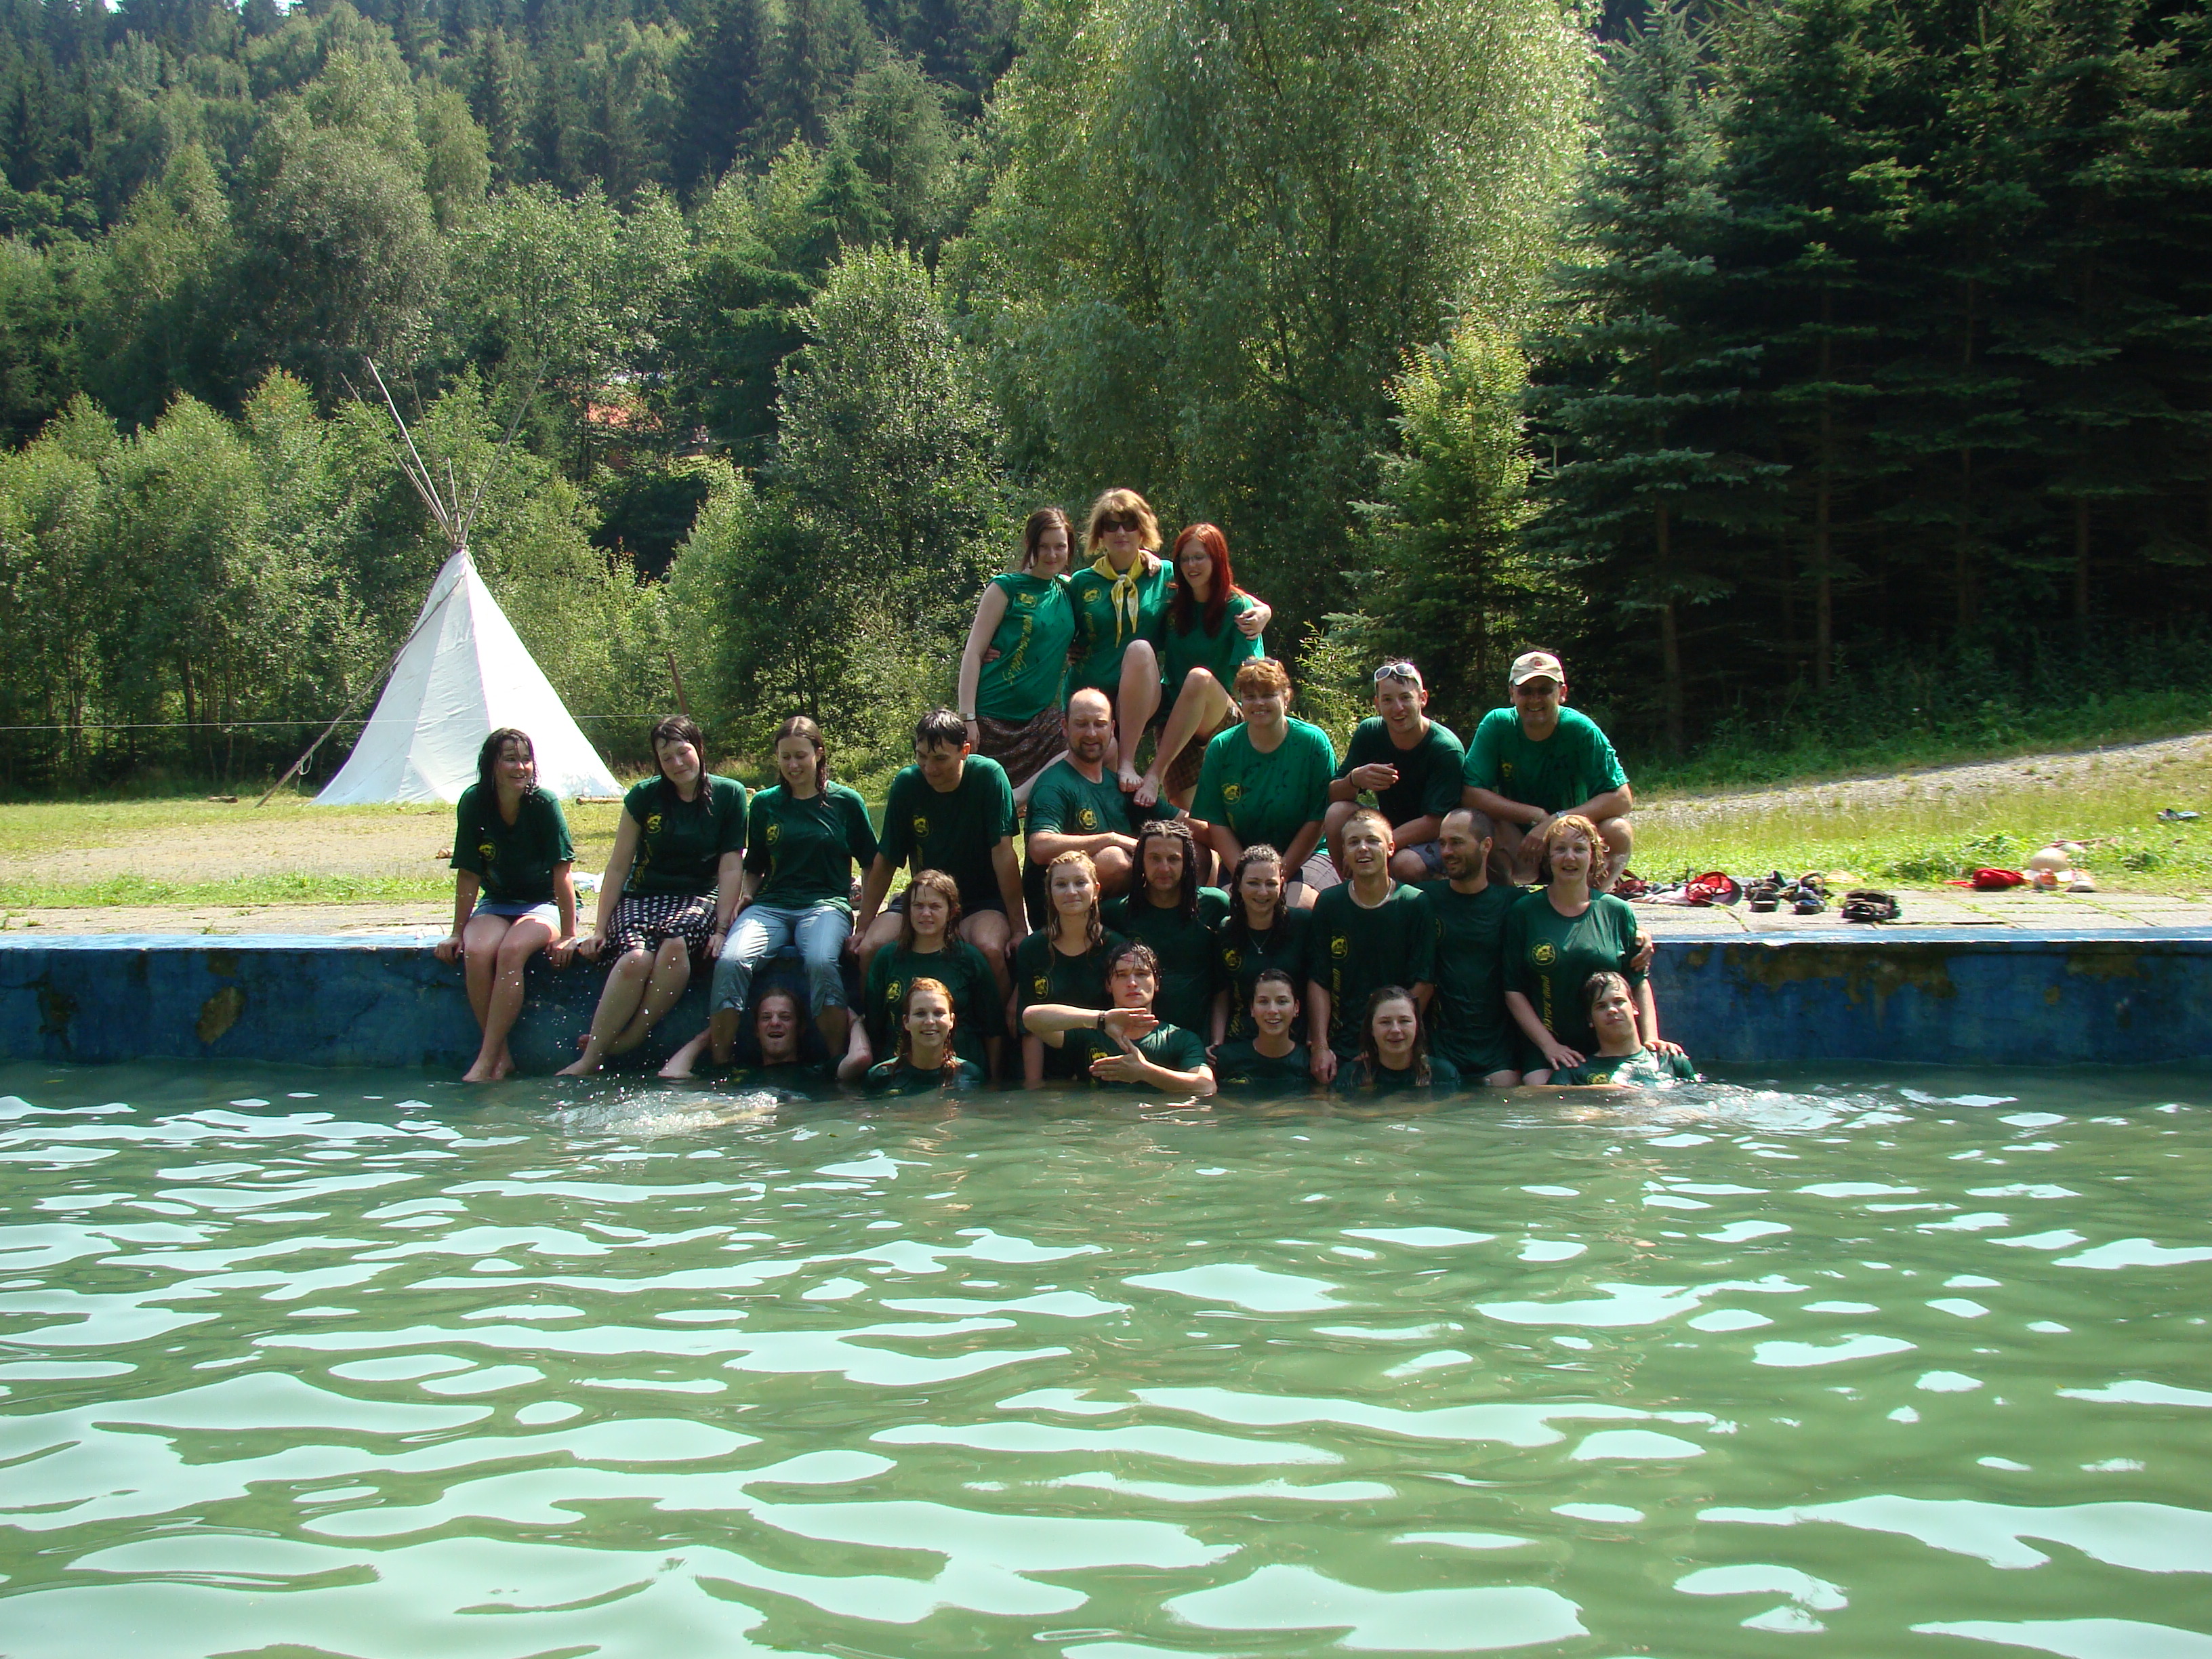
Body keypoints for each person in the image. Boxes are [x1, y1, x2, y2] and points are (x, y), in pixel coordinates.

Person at [660, 716, 875, 1080]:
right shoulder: (764, 804)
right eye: (785, 757)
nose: (793, 765)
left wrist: (865, 923)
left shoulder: (846, 802)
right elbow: (755, 865)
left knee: (821, 961)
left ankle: (835, 1061)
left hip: (825, 905)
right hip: (770, 906)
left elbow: (872, 864)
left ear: (819, 754)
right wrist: (747, 894)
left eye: (800, 756)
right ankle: (723, 1065)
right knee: (731, 960)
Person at [561, 716, 745, 1076]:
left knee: (675, 947)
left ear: (699, 749)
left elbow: (730, 867)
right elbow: (618, 866)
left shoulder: (729, 794)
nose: (677, 763)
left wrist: (722, 929)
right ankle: (592, 1056)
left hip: (699, 898)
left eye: (683, 752)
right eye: (667, 758)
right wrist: (599, 929)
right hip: (642, 897)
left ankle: (631, 1037)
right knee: (634, 959)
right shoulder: (644, 796)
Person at [1065, 489, 1268, 793]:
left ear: (1142, 529)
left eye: (1130, 523)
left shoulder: (1170, 577)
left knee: (1173, 666)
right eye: (1111, 525)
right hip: (1134, 707)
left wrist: (1265, 610)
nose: (1121, 532)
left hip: (1188, 707)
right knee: (1179, 811)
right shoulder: (1087, 582)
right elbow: (1052, 616)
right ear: (1100, 532)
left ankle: (1141, 768)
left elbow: (1224, 593)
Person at [436, 728, 579, 1083]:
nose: (520, 767)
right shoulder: (474, 802)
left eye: (526, 760)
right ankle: (501, 1057)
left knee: (512, 951)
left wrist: (569, 934)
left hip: (544, 902)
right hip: (498, 901)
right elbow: (469, 873)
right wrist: (456, 932)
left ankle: (486, 1060)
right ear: (492, 765)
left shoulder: (544, 804)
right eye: (510, 759)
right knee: (477, 951)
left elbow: (562, 873)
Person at [853, 709, 1026, 1000]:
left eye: (940, 759)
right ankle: (869, 1020)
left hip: (980, 901)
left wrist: (1019, 928)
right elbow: (887, 860)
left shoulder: (988, 777)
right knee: (871, 947)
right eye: (921, 757)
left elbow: (1004, 856)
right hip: (924, 900)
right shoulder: (907, 783)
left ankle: (1005, 1021)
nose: (929, 768)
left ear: (964, 752)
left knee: (989, 948)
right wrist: (864, 925)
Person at [1504, 813, 1678, 1083]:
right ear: (1548, 857)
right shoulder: (1524, 912)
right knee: (1544, 1095)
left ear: (1594, 857)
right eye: (1560, 849)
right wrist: (1550, 1046)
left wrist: (1651, 1039)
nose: (1569, 857)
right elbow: (1513, 991)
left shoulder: (1616, 911)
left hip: (1607, 1046)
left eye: (1579, 849)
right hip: (1547, 1048)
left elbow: (1638, 981)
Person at [1463, 650, 1635, 890]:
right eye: (1526, 691)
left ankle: (1590, 899)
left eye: (1544, 690)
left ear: (1562, 693)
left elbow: (1622, 798)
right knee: (1474, 822)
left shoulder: (1580, 729)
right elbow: (1470, 792)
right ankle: (1504, 900)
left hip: (1572, 839)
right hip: (1519, 841)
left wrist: (1556, 820)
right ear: (1512, 693)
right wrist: (1535, 816)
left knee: (1619, 830)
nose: (1535, 700)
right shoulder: (1497, 725)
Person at [1134, 523, 1263, 809]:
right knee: (1192, 820)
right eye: (1185, 559)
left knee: (1199, 679)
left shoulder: (1239, 608)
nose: (1192, 565)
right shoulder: (1172, 604)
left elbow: (1253, 672)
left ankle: (1154, 774)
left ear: (1217, 559)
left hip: (1221, 716)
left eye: (1199, 557)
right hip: (1176, 724)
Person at [1306, 808, 1435, 1084]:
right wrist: (1320, 1047)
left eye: (1372, 840)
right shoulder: (1329, 903)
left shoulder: (1414, 903)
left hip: (1399, 1044)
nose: (1363, 848)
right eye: (1354, 842)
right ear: (1344, 852)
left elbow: (1424, 983)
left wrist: (1384, 1043)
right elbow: (1319, 980)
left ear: (1390, 848)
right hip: (1342, 1047)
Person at [1022, 687, 1176, 918]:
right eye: (1081, 724)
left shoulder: (1120, 785)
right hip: (1057, 912)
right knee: (1115, 860)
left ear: (1112, 729)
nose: (1092, 733)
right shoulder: (1053, 785)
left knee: (1197, 852)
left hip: (1116, 906)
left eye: (1100, 724)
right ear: (1065, 727)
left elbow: (1184, 821)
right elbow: (1039, 848)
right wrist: (1112, 839)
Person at [958, 507, 1077, 802]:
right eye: (1043, 546)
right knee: (978, 803)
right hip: (991, 717)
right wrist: (967, 717)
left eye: (1060, 546)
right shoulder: (1005, 588)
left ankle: (1018, 799)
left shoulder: (1069, 589)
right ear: (1030, 545)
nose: (1052, 554)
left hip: (1038, 721)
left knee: (1085, 742)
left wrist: (1147, 557)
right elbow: (973, 652)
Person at [1189, 658, 1334, 899]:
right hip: (1244, 859)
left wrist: (1278, 876)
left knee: (1295, 908)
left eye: (1268, 695)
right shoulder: (1222, 747)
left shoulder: (1313, 743)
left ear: (1286, 697)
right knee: (1230, 908)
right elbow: (1217, 823)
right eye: (1250, 696)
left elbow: (1318, 820)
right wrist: (1247, 876)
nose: (1259, 703)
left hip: (1308, 855)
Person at [859, 868, 1006, 1080]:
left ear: (952, 912)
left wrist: (993, 1081)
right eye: (918, 906)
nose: (925, 914)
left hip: (962, 1076)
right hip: (900, 1074)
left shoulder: (969, 959)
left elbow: (993, 1028)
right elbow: (874, 1026)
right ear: (908, 911)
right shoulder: (887, 959)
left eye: (935, 907)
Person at [1326, 661, 1467, 883]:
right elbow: (1333, 794)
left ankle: (1427, 896)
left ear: (1422, 699)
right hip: (1389, 825)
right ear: (1377, 704)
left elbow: (1436, 822)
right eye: (1388, 700)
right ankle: (1352, 887)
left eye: (1405, 698)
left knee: (1405, 864)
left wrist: (1380, 843)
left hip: (1438, 836)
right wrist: (1354, 779)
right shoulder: (1370, 732)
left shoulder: (1445, 748)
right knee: (1337, 813)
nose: (1397, 708)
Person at [1023, 940, 1217, 1096]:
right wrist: (1101, 1019)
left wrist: (1146, 1072)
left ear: (1156, 983)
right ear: (1109, 985)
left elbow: (1206, 1087)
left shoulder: (1180, 1039)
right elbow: (1031, 1019)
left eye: (1141, 974)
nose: (1132, 983)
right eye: (1122, 975)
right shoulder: (1090, 1032)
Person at [1416, 807, 1521, 1087]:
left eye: (1457, 842)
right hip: (1440, 1052)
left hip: (1499, 1055)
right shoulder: (1423, 900)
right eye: (1442, 843)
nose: (1446, 852)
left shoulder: (1514, 905)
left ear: (1486, 846)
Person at [1103, 817, 1229, 1036]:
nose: (1164, 868)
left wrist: (1218, 1040)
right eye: (1155, 858)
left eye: (1173, 859)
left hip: (1198, 1040)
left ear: (1187, 862)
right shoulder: (1115, 913)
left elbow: (1224, 985)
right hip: (1135, 1039)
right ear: (1140, 861)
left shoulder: (1214, 906)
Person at [1012, 850, 1128, 1084]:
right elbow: (1030, 1030)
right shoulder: (1031, 949)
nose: (1071, 892)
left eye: (1080, 882)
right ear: (1049, 893)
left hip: (1103, 1069)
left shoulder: (1117, 948)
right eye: (1061, 884)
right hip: (1052, 1073)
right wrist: (1034, 1088)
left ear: (1096, 890)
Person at [1210, 843, 1310, 1046]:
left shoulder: (1302, 925)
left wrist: (1317, 1041)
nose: (1263, 892)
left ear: (1282, 884)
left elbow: (1317, 985)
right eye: (1253, 883)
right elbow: (1222, 992)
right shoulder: (1226, 931)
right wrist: (1217, 1041)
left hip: (1295, 1041)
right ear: (1238, 884)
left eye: (1271, 884)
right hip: (1241, 1040)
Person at [1550, 972, 1700, 1086]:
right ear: (1590, 1019)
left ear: (1634, 1007)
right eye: (1601, 1006)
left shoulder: (1671, 1061)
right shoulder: (1574, 1073)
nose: (1612, 1010)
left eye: (1619, 1001)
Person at [865, 977, 986, 1094]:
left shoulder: (971, 1076)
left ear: (951, 1021)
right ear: (906, 1022)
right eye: (920, 1013)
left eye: (938, 1013)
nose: (930, 1021)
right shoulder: (880, 1077)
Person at [1211, 968, 1311, 1088]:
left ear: (1296, 1008)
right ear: (1252, 1009)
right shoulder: (1225, 1059)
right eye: (1263, 1002)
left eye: (1282, 1001)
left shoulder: (1311, 1063)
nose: (1272, 1010)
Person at [1349, 985, 1461, 1091]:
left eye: (1404, 1021)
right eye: (1385, 1022)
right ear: (1371, 1029)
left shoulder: (1443, 1075)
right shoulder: (1351, 1077)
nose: (1395, 1030)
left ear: (1417, 1026)